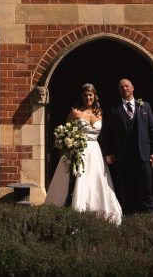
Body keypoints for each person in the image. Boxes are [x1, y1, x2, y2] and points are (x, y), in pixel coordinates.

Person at [43, 83, 122, 224]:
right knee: (79, 179)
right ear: (82, 97)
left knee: (95, 180)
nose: (88, 97)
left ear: (95, 96)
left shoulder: (100, 113)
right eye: (85, 95)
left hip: (95, 152)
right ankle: (73, 210)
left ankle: (98, 212)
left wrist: (109, 153)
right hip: (78, 150)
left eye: (90, 95)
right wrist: (68, 145)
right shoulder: (75, 113)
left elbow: (106, 136)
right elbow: (65, 131)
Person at [102, 77, 153, 213]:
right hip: (122, 157)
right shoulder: (113, 109)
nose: (124, 88)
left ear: (133, 88)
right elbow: (106, 133)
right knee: (126, 189)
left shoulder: (145, 106)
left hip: (143, 154)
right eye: (121, 86)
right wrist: (108, 153)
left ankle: (150, 218)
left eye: (127, 85)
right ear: (119, 90)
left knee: (146, 188)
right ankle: (127, 218)